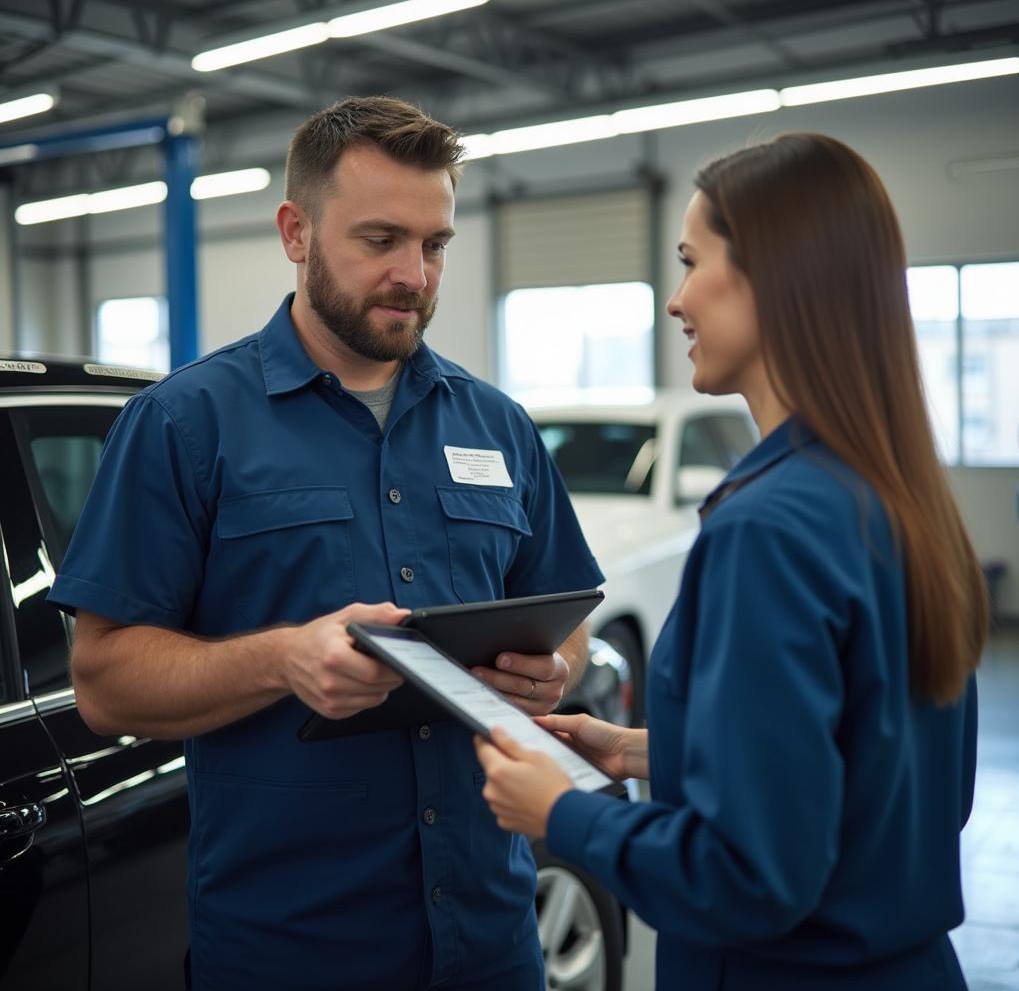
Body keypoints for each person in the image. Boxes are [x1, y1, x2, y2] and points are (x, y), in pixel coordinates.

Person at [48, 96, 603, 991]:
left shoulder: (498, 427)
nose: (414, 275)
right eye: (380, 240)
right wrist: (283, 660)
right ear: (295, 232)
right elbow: (104, 681)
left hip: (490, 945)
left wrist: (554, 668)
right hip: (292, 952)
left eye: (435, 245)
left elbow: (564, 614)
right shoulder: (185, 425)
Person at [475, 132, 986, 990]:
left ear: (774, 277)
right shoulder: (899, 499)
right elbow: (881, 780)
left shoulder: (768, 529)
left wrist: (560, 815)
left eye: (689, 262)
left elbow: (748, 877)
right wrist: (643, 752)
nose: (675, 302)